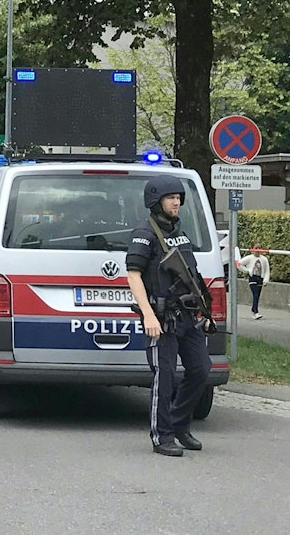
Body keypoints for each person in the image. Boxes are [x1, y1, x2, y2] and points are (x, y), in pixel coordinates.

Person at [126, 175, 212, 457]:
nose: (176, 202)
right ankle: (162, 436)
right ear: (156, 201)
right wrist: (148, 315)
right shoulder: (145, 234)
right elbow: (133, 276)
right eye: (170, 198)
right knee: (165, 378)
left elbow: (192, 274)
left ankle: (179, 425)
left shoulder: (180, 232)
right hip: (161, 318)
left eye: (178, 198)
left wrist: (205, 309)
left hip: (187, 316)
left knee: (201, 370)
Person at [237, 247, 270, 319]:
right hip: (253, 277)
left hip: (260, 278)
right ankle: (255, 312)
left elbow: (267, 270)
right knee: (255, 294)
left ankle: (253, 310)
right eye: (256, 250)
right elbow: (239, 264)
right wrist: (247, 270)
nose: (257, 252)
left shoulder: (264, 259)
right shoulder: (249, 258)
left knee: (257, 296)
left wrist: (266, 280)